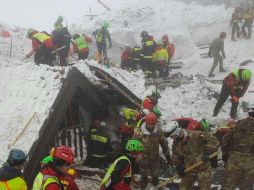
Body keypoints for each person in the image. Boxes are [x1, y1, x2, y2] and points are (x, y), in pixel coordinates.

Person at [164, 122, 219, 190]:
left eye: (172, 136)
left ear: (177, 132)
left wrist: (207, 152)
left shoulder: (196, 135)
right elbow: (175, 155)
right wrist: (178, 166)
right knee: (183, 188)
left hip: (203, 168)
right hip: (189, 169)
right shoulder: (176, 143)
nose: (172, 138)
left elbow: (214, 140)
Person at [221, 104, 254, 190]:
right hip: (251, 161)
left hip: (234, 159)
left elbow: (226, 139)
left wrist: (224, 154)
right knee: (246, 186)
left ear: (249, 113)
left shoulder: (238, 123)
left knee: (228, 185)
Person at [135, 112, 171, 189]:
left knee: (155, 177)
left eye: (152, 124)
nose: (151, 126)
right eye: (149, 124)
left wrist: (167, 156)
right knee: (144, 177)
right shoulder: (139, 132)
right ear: (146, 122)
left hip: (155, 159)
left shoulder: (158, 132)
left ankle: (156, 187)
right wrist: (136, 155)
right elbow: (134, 145)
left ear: (155, 123)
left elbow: (164, 143)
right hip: (143, 159)